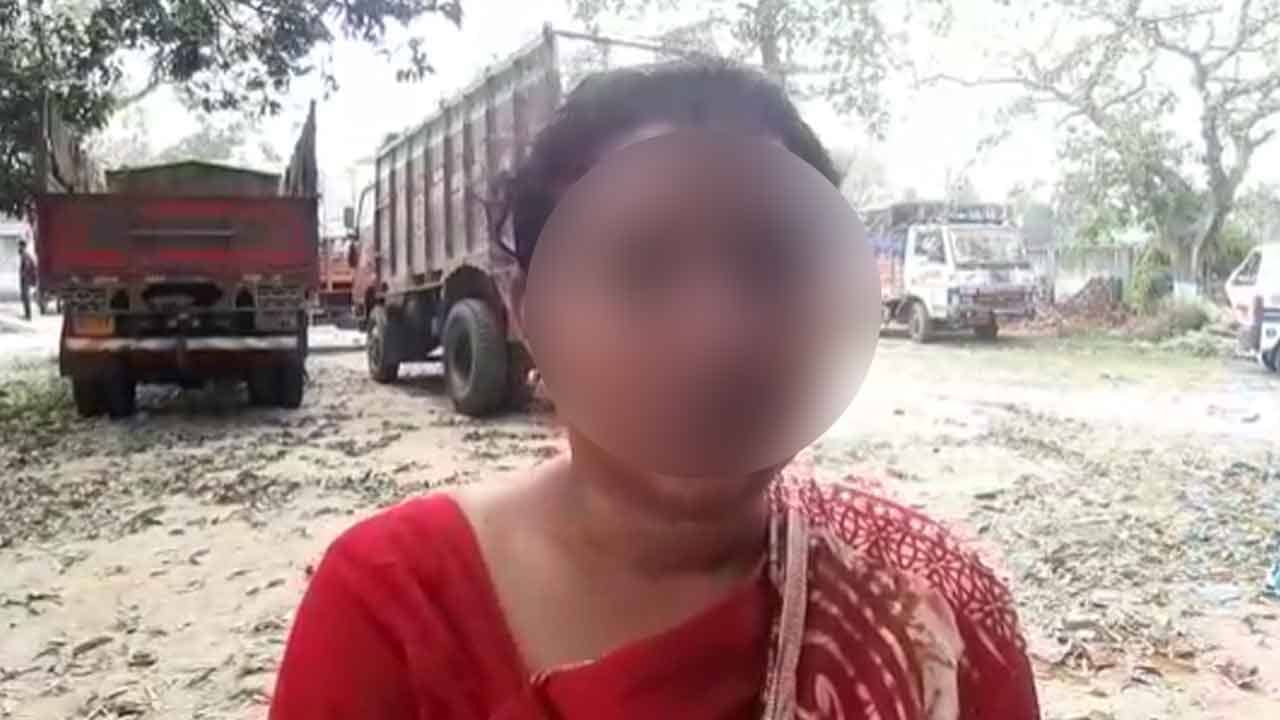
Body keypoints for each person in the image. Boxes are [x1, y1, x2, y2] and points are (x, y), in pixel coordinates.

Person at [270, 62, 1040, 720]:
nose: (718, 336)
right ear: (527, 310)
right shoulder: (392, 608)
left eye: (771, 263)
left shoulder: (932, 609)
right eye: (641, 268)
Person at [18, 239, 37, 321]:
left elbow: (27, 266)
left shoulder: (25, 255)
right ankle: (27, 314)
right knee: (25, 297)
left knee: (26, 297)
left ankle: (28, 315)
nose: (18, 248)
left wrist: (23, 274)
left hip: (26, 279)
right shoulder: (25, 255)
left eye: (19, 246)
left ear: (22, 246)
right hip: (26, 279)